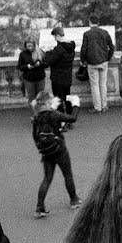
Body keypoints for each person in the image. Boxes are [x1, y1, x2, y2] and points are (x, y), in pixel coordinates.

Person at [31, 90, 82, 218]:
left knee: (47, 178)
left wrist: (41, 147)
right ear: (48, 102)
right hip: (59, 149)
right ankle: (74, 199)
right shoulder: (54, 114)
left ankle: (40, 207)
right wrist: (76, 104)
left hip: (46, 151)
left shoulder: (36, 117)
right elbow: (72, 118)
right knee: (67, 174)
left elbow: (35, 136)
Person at [80, 15, 115, 113]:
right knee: (103, 85)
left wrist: (83, 60)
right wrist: (108, 57)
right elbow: (111, 47)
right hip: (103, 61)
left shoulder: (87, 34)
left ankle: (97, 107)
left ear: (90, 22)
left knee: (94, 86)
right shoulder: (104, 33)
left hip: (92, 62)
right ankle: (104, 106)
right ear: (98, 23)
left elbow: (84, 49)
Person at [43, 26, 77, 117]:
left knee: (58, 99)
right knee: (67, 98)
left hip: (57, 77)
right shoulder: (71, 47)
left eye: (54, 37)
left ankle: (62, 120)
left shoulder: (59, 49)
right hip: (67, 76)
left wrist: (47, 53)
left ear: (57, 36)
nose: (54, 39)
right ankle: (70, 118)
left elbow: (49, 62)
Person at [17, 36, 46, 103]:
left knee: (41, 97)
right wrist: (27, 67)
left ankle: (41, 112)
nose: (30, 48)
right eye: (28, 46)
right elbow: (20, 66)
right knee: (31, 97)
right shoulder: (23, 54)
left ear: (34, 45)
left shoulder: (40, 52)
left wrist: (40, 64)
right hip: (29, 79)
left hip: (40, 78)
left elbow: (46, 64)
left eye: (31, 46)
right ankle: (34, 112)